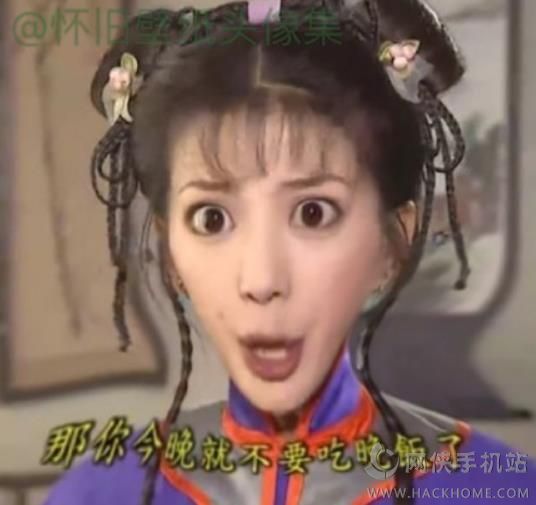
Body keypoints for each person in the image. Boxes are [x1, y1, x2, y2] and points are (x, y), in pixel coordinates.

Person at [42, 0, 535, 503]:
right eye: (212, 219)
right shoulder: (103, 491)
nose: (261, 279)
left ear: (391, 243)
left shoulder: (498, 487)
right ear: (172, 255)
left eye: (313, 214)